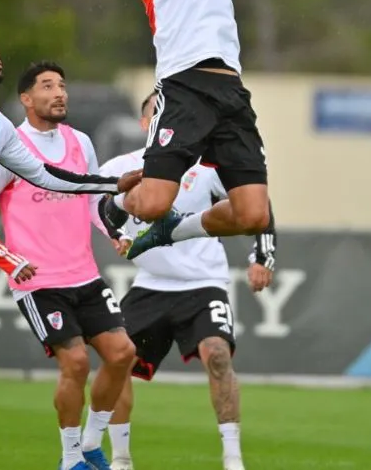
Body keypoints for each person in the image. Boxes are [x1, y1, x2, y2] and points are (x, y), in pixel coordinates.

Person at [103, 0, 371, 260]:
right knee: (151, 204)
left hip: (229, 89)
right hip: (184, 85)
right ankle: (114, 206)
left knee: (252, 214)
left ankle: (173, 231)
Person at [0, 18, 135, 470]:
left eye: (62, 85)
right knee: (76, 363)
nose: (59, 92)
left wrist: (114, 195)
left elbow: (57, 180)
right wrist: (4, 259)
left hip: (81, 273)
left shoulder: (26, 133)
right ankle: (69, 459)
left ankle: (90, 445)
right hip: (38, 281)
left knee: (123, 354)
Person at [95, 92, 278, 470]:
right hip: (152, 283)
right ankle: (122, 458)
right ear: (148, 124)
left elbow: (256, 205)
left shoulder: (204, 165)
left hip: (203, 282)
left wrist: (261, 255)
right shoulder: (121, 167)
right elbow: (97, 208)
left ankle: (232, 458)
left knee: (217, 354)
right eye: (157, 115)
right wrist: (115, 231)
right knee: (117, 363)